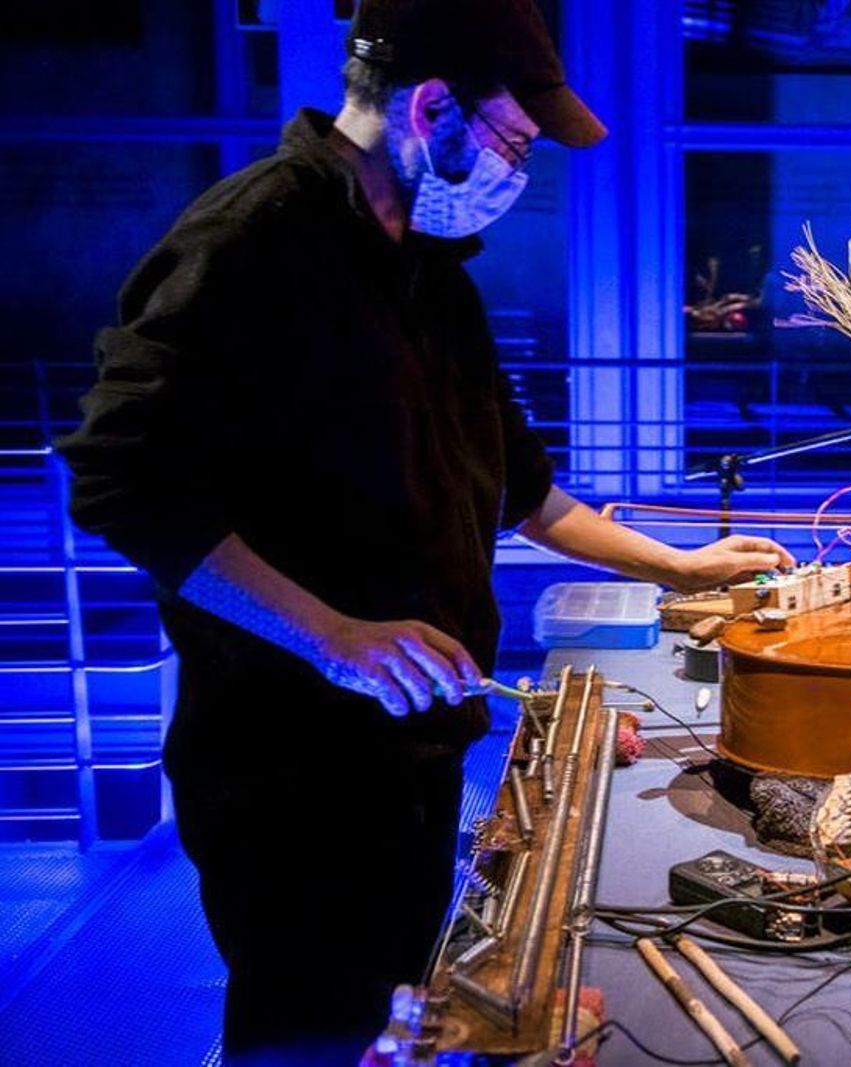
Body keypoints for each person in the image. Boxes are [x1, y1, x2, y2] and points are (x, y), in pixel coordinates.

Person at [55, 1, 791, 1060]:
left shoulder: (430, 274)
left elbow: (524, 491)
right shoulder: (252, 237)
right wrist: (334, 636)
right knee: (308, 1030)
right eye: (513, 141)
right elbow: (122, 476)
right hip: (291, 770)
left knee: (395, 1014)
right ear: (433, 105)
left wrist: (680, 564)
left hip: (415, 746)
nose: (517, 169)